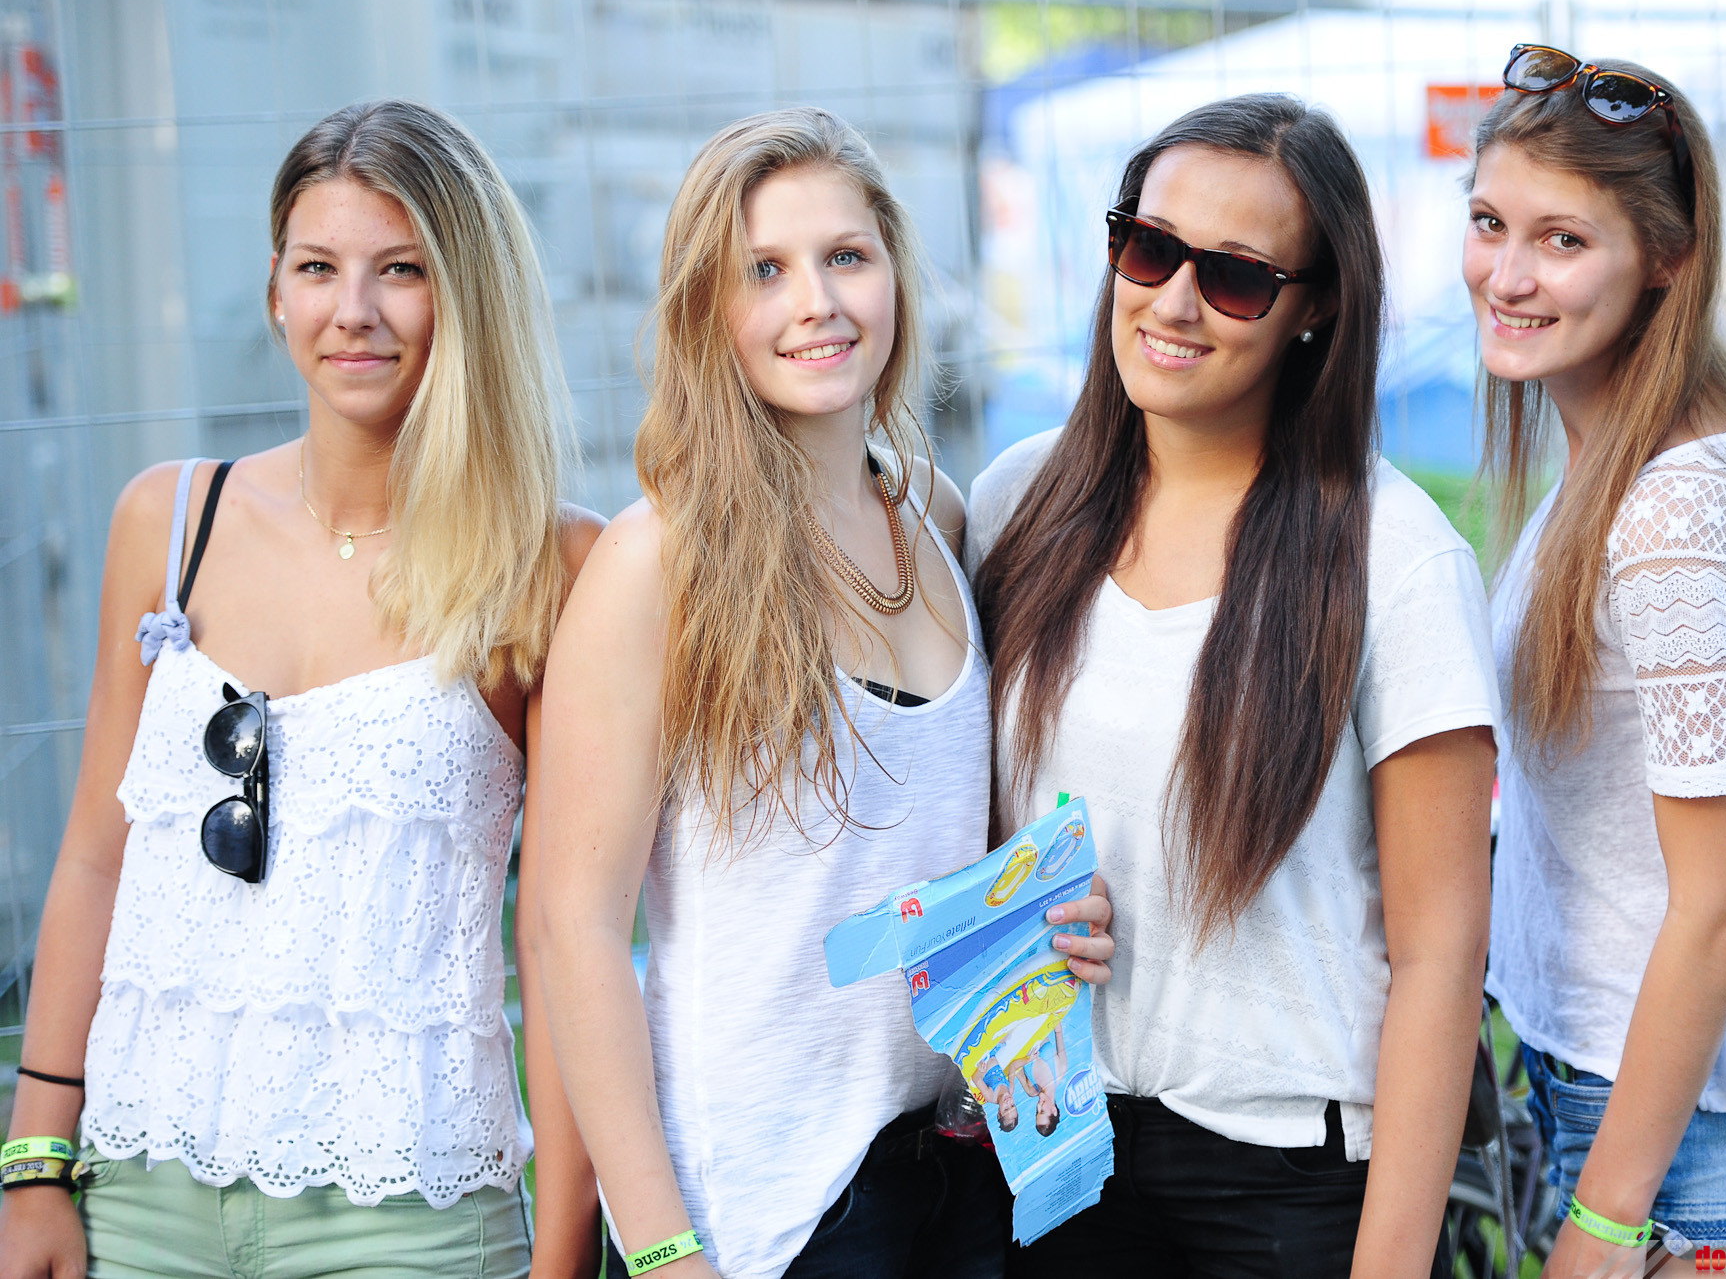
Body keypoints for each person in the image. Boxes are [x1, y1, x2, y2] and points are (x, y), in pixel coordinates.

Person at [0, 100, 603, 1279]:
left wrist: (564, 1248)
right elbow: (95, 858)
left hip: (410, 1214)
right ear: (276, 289)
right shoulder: (167, 520)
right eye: (317, 267)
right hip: (142, 1192)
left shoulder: (552, 565)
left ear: (467, 292)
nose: (352, 310)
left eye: (401, 270)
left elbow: (561, 934)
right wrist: (33, 1162)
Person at [530, 106, 1114, 1279]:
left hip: (962, 1157)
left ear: (893, 270)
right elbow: (570, 926)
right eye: (765, 269)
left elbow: (925, 848)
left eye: (845, 255)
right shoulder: (659, 561)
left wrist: (1049, 912)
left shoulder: (934, 517)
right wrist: (663, 1246)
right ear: (706, 307)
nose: (817, 302)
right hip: (769, 1208)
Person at [969, 92, 1498, 1279]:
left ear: (1315, 308)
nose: (1172, 300)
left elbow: (1438, 958)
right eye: (1148, 247)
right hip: (1052, 1139)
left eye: (1234, 277)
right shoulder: (1014, 505)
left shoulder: (1395, 560)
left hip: (1292, 1178)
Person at [1470, 47, 1726, 1270]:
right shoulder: (1627, 451)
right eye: (1487, 223)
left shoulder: (1671, 522)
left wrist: (1601, 1220)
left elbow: (1721, 903)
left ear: (1665, 260)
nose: (1506, 275)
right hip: (1636, 1102)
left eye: (1561, 240)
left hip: (1696, 1148)